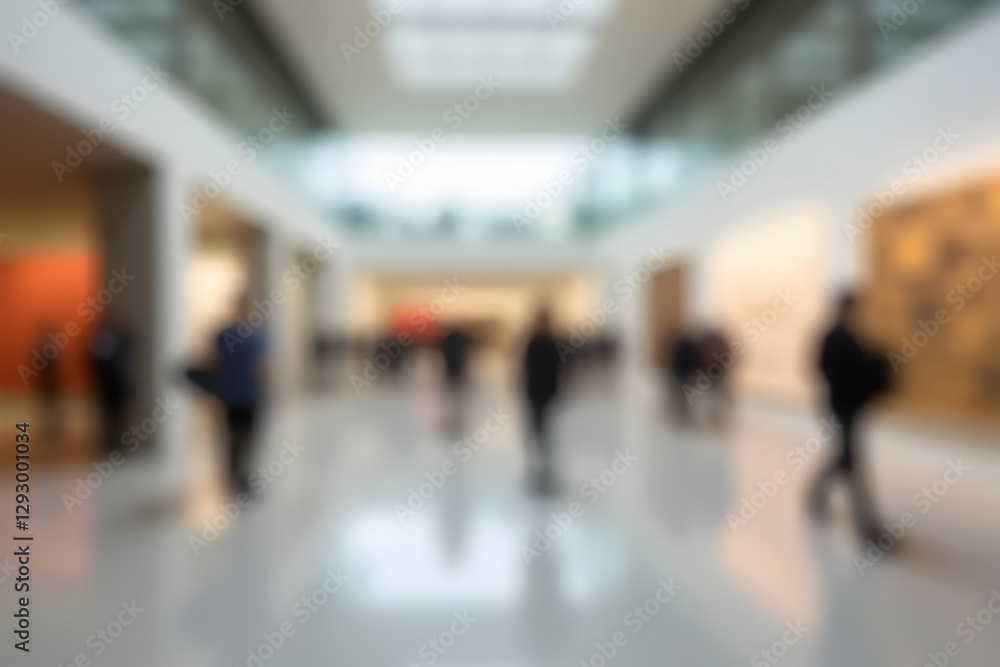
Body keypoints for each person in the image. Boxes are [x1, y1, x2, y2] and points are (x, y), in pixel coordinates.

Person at [810, 292, 889, 542]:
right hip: (842, 405)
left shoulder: (851, 335)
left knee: (847, 458)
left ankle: (815, 495)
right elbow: (828, 369)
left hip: (850, 405)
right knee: (852, 461)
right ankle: (866, 526)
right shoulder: (834, 337)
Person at [214, 294, 269, 495]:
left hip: (243, 394)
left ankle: (237, 475)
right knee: (237, 437)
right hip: (237, 395)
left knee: (241, 437)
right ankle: (236, 476)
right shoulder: (253, 336)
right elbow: (262, 368)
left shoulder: (251, 336)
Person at [522, 310, 562, 494]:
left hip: (535, 389)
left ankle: (538, 457)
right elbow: (560, 368)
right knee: (546, 424)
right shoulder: (554, 343)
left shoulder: (533, 343)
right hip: (549, 390)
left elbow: (526, 367)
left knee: (536, 424)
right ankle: (545, 457)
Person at [88, 318, 133, 453]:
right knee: (108, 413)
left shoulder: (122, 341)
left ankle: (119, 439)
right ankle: (110, 439)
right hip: (105, 384)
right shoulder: (99, 343)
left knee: (119, 413)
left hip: (119, 383)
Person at [440, 328, 471, 434]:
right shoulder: (460, 341)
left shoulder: (448, 341)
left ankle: (453, 410)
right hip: (456, 369)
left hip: (452, 369)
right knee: (456, 391)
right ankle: (455, 410)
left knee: (453, 391)